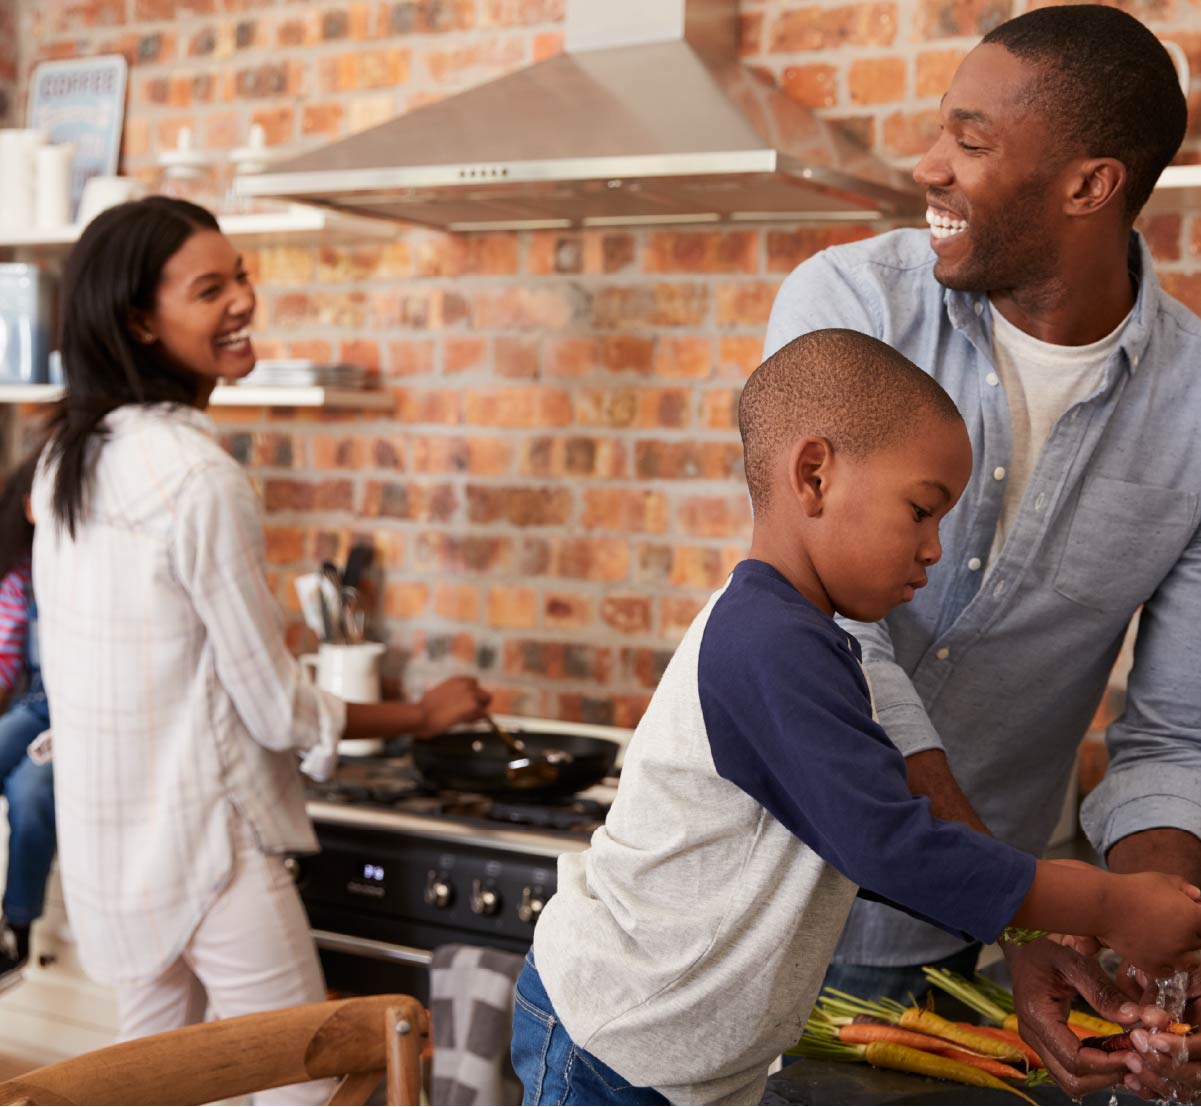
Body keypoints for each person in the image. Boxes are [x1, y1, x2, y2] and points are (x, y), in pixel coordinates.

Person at [509, 328, 1201, 1107]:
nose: (934, 548)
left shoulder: (809, 643)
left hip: (680, 1062)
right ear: (813, 475)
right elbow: (889, 846)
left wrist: (1030, 932)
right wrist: (1107, 903)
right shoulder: (766, 644)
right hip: (612, 1052)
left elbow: (866, 836)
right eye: (920, 510)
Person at [763, 5, 1201, 1101]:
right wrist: (1021, 903)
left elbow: (1174, 730)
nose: (927, 165)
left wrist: (1152, 944)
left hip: (994, 953)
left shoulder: (1196, 406)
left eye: (968, 139)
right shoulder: (851, 308)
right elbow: (829, 637)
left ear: (1087, 186)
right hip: (772, 917)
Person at [30, 196, 491, 1105]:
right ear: (139, 321)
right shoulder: (200, 477)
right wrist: (423, 712)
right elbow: (276, 707)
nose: (242, 300)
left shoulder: (67, 463)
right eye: (211, 288)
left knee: (147, 1091)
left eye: (241, 274)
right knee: (316, 1086)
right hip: (208, 852)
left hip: (113, 857)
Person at [0, 451, 56, 990]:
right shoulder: (23, 571)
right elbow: (7, 657)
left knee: (32, 789)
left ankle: (17, 926)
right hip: (37, 701)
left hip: (82, 711)